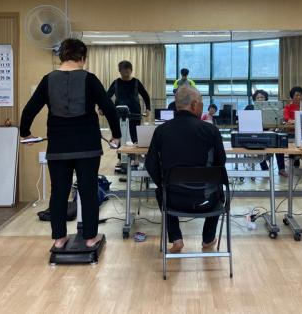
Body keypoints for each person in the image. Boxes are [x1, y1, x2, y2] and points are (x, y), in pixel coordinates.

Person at [20, 38, 121, 250]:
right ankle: (90, 238)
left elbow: (30, 108)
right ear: (82, 58)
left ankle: (59, 238)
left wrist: (26, 133)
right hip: (88, 147)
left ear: (62, 56)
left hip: (58, 147)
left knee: (59, 192)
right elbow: (109, 108)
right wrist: (116, 136)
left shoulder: (48, 80)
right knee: (88, 190)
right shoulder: (90, 79)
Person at [145, 86, 227, 253]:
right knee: (219, 189)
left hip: (173, 201)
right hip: (206, 201)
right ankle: (208, 238)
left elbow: (151, 165)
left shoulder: (161, 131)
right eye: (202, 103)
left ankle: (176, 238)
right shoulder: (211, 130)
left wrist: (163, 184)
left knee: (161, 191)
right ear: (195, 105)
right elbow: (221, 163)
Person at [104, 60, 151, 144]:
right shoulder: (116, 83)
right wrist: (101, 108)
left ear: (131, 70)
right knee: (119, 137)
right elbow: (107, 96)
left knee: (134, 138)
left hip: (134, 114)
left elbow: (145, 95)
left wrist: (148, 108)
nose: (125, 71)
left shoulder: (136, 82)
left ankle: (134, 152)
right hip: (119, 115)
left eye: (127, 69)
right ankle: (120, 152)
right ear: (119, 71)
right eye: (123, 69)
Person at [245, 90, 286, 176]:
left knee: (279, 144)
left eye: (262, 97)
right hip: (256, 134)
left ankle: (281, 169)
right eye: (258, 97)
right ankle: (264, 168)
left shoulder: (271, 108)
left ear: (266, 99)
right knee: (258, 144)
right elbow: (246, 122)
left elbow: (278, 121)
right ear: (254, 99)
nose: (260, 99)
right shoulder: (250, 108)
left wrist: (271, 129)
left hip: (270, 132)